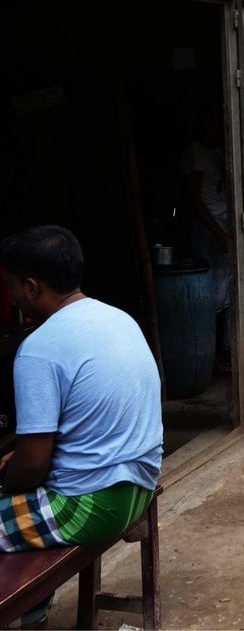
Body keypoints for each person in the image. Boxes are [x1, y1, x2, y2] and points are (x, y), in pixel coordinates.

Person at [1, 227, 163, 624]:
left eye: (11, 287)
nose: (12, 297)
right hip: (139, 485)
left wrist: (7, 482)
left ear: (32, 287)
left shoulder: (38, 350)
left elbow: (35, 464)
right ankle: (31, 608)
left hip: (93, 505)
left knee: (12, 498)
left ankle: (22, 611)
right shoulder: (118, 318)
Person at [182, 109, 231, 371]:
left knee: (227, 291)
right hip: (208, 227)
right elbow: (194, 198)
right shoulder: (196, 151)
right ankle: (208, 354)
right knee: (210, 291)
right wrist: (216, 231)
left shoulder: (219, 153)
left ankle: (223, 351)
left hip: (223, 225)